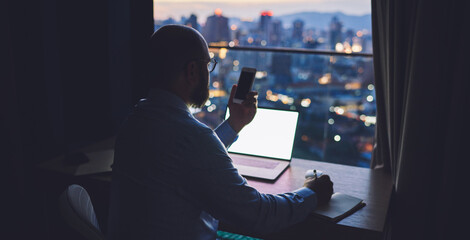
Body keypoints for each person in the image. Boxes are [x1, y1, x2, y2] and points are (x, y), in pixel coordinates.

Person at [107, 24, 333, 240]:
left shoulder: (134, 122)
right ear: (192, 70)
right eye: (208, 65)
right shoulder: (192, 138)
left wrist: (234, 124)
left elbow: (186, 160)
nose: (210, 74)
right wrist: (311, 192)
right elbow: (259, 215)